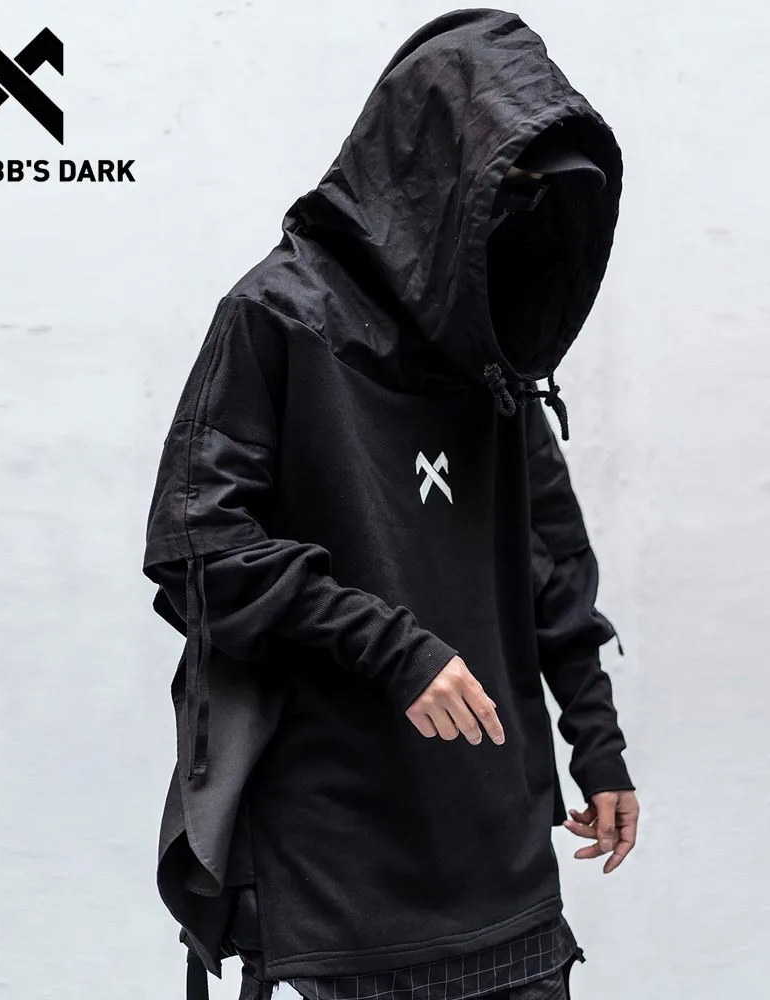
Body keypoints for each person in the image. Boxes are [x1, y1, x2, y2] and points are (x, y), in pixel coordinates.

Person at [140, 10, 639, 1000]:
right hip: (342, 876)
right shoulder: (276, 317)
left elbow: (551, 566)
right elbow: (199, 541)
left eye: (536, 198)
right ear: (428, 164)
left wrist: (599, 744)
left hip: (505, 867)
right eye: (501, 188)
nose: (515, 222)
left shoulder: (493, 342)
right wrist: (393, 645)